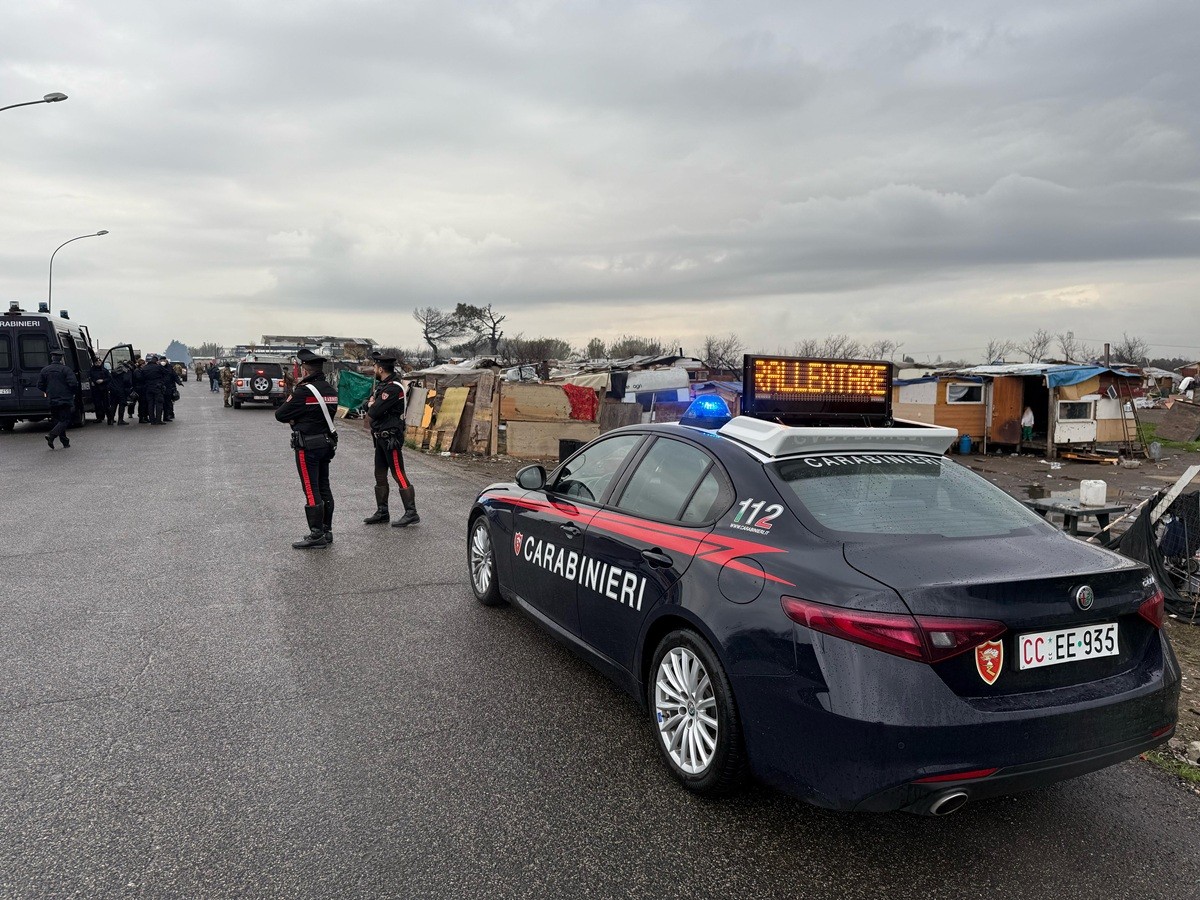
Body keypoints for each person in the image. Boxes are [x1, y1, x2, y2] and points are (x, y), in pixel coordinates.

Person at [275, 349, 338, 549]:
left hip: (308, 445)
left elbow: (280, 414)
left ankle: (316, 534)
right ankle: (327, 530)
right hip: (326, 443)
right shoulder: (330, 390)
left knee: (311, 489)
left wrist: (297, 418)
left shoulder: (303, 391)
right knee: (324, 486)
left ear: (305, 369)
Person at [363, 352, 419, 528]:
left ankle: (411, 512)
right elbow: (366, 404)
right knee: (379, 474)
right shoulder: (383, 386)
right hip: (380, 437)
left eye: (374, 367)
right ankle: (382, 511)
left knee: (398, 473)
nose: (373, 369)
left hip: (391, 438)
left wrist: (371, 404)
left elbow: (374, 411)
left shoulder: (393, 388)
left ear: (380, 368)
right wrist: (370, 404)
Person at [37, 349, 78, 449]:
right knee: (65, 420)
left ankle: (65, 442)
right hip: (65, 399)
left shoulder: (45, 370)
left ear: (52, 358)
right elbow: (73, 383)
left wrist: (49, 391)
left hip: (52, 399)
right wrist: (71, 393)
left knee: (58, 420)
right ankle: (51, 435)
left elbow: (40, 385)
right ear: (61, 358)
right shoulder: (66, 369)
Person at [141, 354, 168, 425]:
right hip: (157, 387)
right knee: (159, 404)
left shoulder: (145, 368)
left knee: (150, 404)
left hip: (148, 388)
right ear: (156, 361)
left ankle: (152, 420)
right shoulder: (158, 367)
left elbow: (142, 377)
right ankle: (158, 420)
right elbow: (166, 372)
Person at [87, 359, 111, 424]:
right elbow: (89, 377)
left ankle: (110, 418)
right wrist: (92, 382)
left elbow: (109, 378)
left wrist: (103, 381)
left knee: (106, 404)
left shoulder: (104, 370)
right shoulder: (91, 370)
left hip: (104, 389)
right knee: (97, 404)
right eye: (96, 362)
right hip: (96, 389)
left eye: (99, 362)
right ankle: (99, 417)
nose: (98, 363)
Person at [109, 359, 132, 425]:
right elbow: (127, 381)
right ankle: (120, 420)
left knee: (113, 404)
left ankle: (111, 420)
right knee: (122, 404)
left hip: (113, 389)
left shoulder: (115, 370)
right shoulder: (126, 370)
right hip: (121, 390)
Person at [162, 357, 183, 422]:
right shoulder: (159, 367)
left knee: (169, 402)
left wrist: (179, 382)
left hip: (169, 387)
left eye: (164, 360)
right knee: (162, 402)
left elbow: (175, 376)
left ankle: (169, 414)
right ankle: (163, 415)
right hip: (161, 388)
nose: (163, 361)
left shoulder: (170, 367)